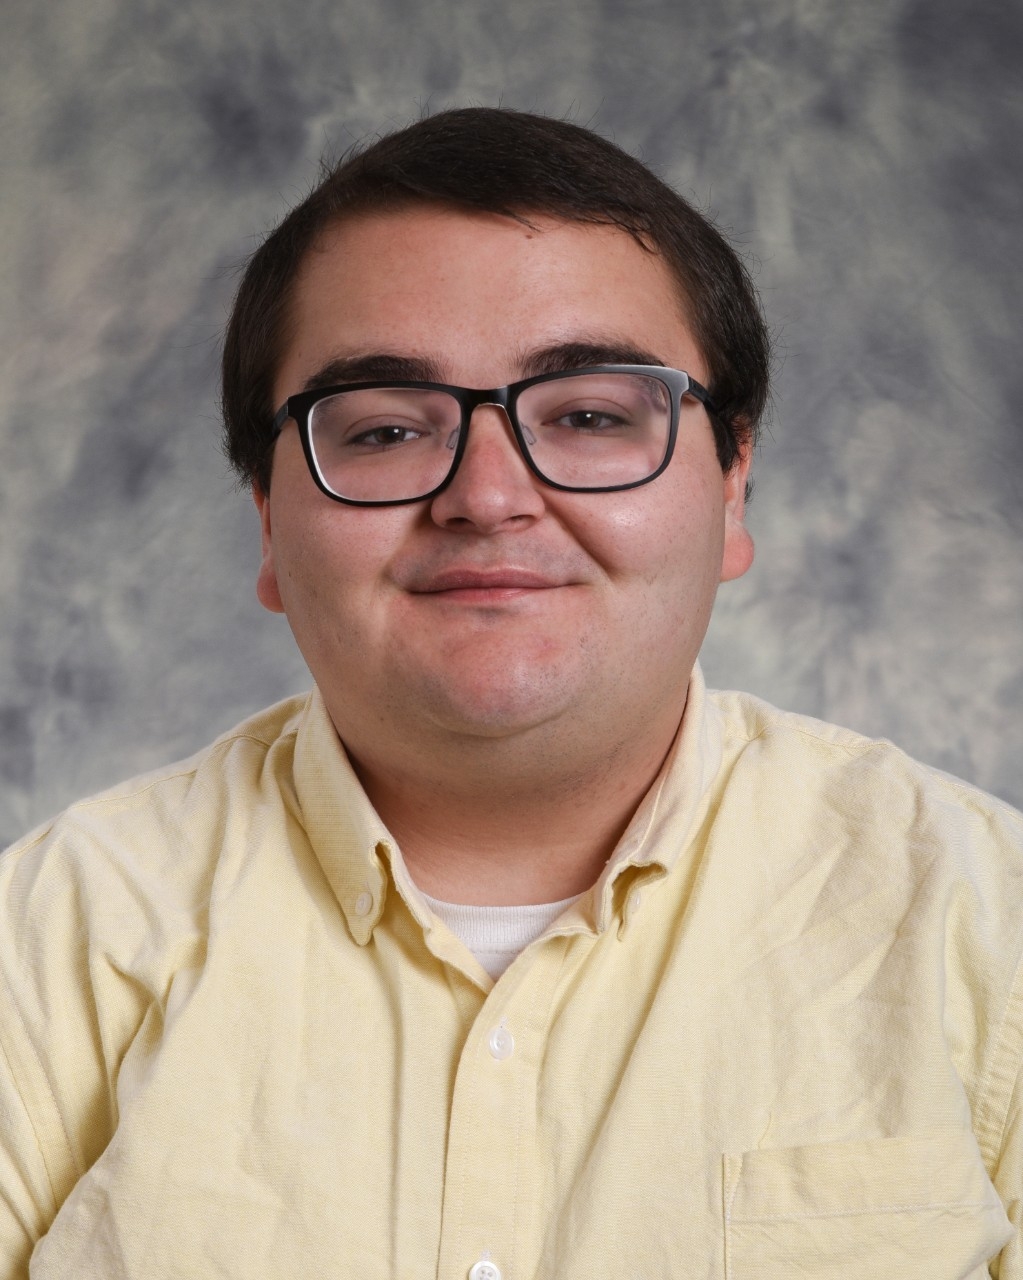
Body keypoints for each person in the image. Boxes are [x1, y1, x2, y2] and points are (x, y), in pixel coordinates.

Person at [1, 107, 1020, 1280]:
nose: (488, 496)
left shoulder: (982, 920)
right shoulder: (45, 948)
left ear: (733, 483)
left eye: (588, 414)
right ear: (270, 521)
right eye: (385, 428)